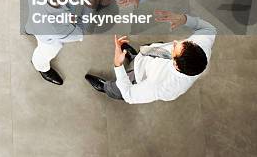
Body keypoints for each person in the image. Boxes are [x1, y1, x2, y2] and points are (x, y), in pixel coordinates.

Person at [84, 10, 216, 103]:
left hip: (138, 75)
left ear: (176, 64)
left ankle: (107, 88)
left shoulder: (163, 86)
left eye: (175, 48)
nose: (175, 42)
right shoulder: (201, 46)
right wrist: (184, 19)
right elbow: (210, 30)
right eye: (184, 42)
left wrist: (118, 65)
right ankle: (135, 57)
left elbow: (129, 95)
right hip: (152, 53)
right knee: (147, 50)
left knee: (119, 89)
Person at [25, 0, 87, 85]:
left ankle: (29, 29)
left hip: (35, 14)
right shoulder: (57, 28)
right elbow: (78, 33)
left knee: (31, 24)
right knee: (45, 53)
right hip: (48, 39)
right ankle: (41, 67)